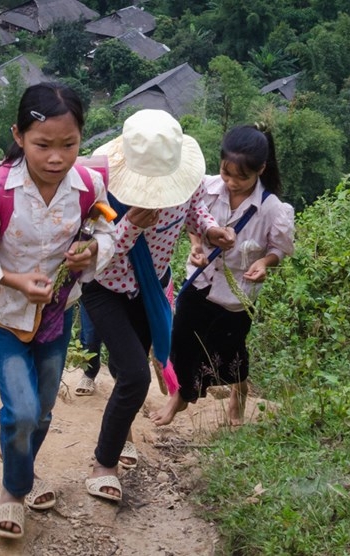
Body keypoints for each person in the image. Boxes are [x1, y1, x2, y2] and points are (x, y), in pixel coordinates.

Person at [0, 82, 114, 538]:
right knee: (23, 410)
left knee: (44, 409)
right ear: (20, 136)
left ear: (81, 139)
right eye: (42, 144)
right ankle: (14, 490)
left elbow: (104, 236)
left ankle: (23, 473)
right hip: (5, 315)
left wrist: (91, 255)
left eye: (69, 145)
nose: (56, 158)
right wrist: (16, 281)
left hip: (57, 314)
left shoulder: (89, 185)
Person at [80, 109, 236, 502]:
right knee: (135, 375)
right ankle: (104, 464)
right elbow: (97, 253)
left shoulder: (189, 182)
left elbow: (195, 210)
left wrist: (210, 229)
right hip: (107, 289)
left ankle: (122, 434)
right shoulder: (101, 190)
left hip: (152, 290)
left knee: (123, 367)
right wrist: (131, 223)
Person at [150, 124, 295, 428]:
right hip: (200, 280)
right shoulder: (206, 187)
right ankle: (180, 396)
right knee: (184, 339)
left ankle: (238, 394)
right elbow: (193, 222)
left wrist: (265, 264)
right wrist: (196, 247)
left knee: (231, 351)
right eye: (226, 173)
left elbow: (278, 248)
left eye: (242, 178)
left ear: (261, 170)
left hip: (236, 294)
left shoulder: (271, 209)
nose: (231, 183)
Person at [75, 303, 102, 396]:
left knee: (119, 336)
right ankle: (89, 374)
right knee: (89, 335)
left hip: (122, 293)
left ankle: (117, 374)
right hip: (92, 291)